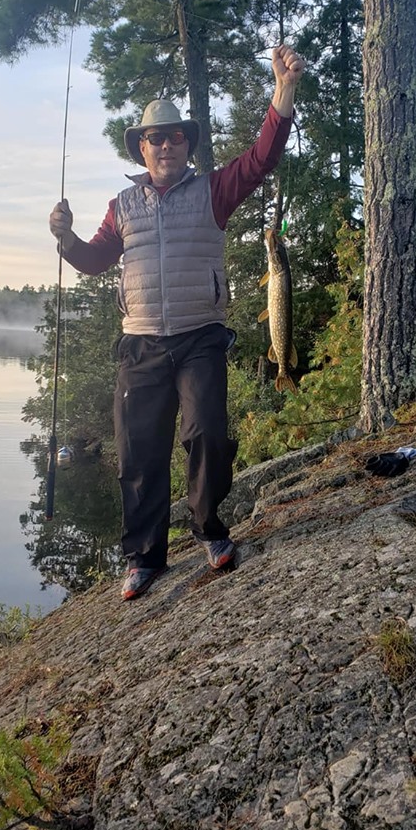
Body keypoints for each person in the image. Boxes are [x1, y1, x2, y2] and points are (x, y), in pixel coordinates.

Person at [49, 44, 305, 600]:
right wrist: (66, 239)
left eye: (175, 137)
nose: (165, 145)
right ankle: (143, 557)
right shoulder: (122, 206)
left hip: (200, 338)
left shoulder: (213, 190)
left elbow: (262, 158)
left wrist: (281, 92)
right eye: (155, 138)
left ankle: (210, 530)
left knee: (206, 433)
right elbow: (94, 260)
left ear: (187, 144)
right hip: (140, 343)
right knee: (139, 452)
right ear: (142, 148)